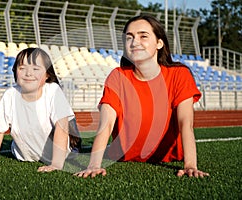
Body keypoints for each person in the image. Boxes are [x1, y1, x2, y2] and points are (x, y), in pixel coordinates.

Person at [74, 15, 209, 178]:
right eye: (129, 37)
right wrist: (94, 165)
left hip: (167, 158)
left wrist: (190, 165)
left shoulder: (179, 74)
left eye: (143, 36)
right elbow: (107, 124)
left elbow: (185, 123)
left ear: (159, 43)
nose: (135, 42)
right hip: (124, 158)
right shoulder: (117, 76)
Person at [0, 47, 81, 172]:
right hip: (24, 156)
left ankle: (75, 145)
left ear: (47, 75)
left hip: (60, 152)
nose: (28, 73)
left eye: (35, 69)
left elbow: (62, 128)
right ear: (15, 72)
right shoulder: (10, 95)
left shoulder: (53, 90)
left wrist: (56, 164)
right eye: (22, 68)